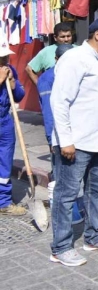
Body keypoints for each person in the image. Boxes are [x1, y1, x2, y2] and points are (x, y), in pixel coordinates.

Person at [49, 17, 98, 267]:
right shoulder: (75, 59)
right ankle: (60, 248)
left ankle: (94, 237)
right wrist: (66, 140)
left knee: (97, 192)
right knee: (67, 194)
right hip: (76, 143)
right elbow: (59, 102)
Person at [37, 44, 74, 174]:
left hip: (77, 131)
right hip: (58, 134)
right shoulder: (47, 79)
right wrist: (50, 139)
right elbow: (48, 111)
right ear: (56, 59)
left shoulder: (77, 74)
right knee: (61, 175)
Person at [0, 43, 26, 216]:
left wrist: (13, 83)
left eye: (6, 57)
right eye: (2, 58)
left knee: (4, 163)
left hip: (5, 122)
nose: (5, 60)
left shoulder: (10, 70)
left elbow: (19, 96)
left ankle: (3, 202)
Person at [25, 22, 74, 86]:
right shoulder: (46, 51)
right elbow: (29, 69)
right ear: (55, 38)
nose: (66, 39)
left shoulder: (78, 50)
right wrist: (41, 87)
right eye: (62, 37)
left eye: (68, 36)